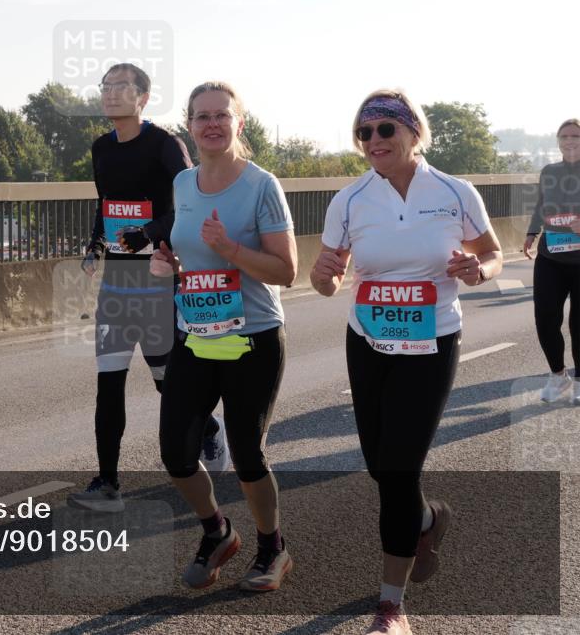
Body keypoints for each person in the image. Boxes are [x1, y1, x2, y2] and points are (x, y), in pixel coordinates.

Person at [310, 89, 502, 635]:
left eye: (384, 129)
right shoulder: (350, 200)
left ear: (413, 132)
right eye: (363, 133)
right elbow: (327, 280)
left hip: (431, 342)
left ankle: (390, 607)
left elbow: (492, 253)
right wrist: (324, 276)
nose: (373, 141)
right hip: (368, 342)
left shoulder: (455, 192)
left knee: (398, 469)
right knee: (380, 466)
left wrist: (479, 270)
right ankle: (427, 517)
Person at [152, 81, 297, 592]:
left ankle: (272, 547)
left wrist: (230, 249)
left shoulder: (261, 185)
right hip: (197, 335)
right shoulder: (183, 183)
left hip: (253, 336)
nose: (212, 124)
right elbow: (190, 255)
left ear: (240, 122)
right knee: (176, 452)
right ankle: (217, 531)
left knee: (247, 454)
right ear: (190, 126)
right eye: (202, 116)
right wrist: (171, 263)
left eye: (222, 115)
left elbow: (286, 271)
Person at [69, 64, 230, 514]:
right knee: (108, 383)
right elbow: (106, 204)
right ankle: (108, 483)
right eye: (105, 86)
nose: (110, 94)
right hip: (117, 284)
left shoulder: (164, 145)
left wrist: (149, 232)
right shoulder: (101, 147)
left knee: (166, 382)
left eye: (121, 87)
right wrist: (95, 242)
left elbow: (190, 202)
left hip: (159, 279)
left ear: (142, 98)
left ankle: (208, 430)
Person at [524, 118, 580, 404]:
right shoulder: (550, 171)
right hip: (550, 256)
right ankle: (558, 375)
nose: (569, 141)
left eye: (575, 136)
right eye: (564, 136)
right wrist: (531, 233)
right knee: (545, 318)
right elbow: (540, 205)